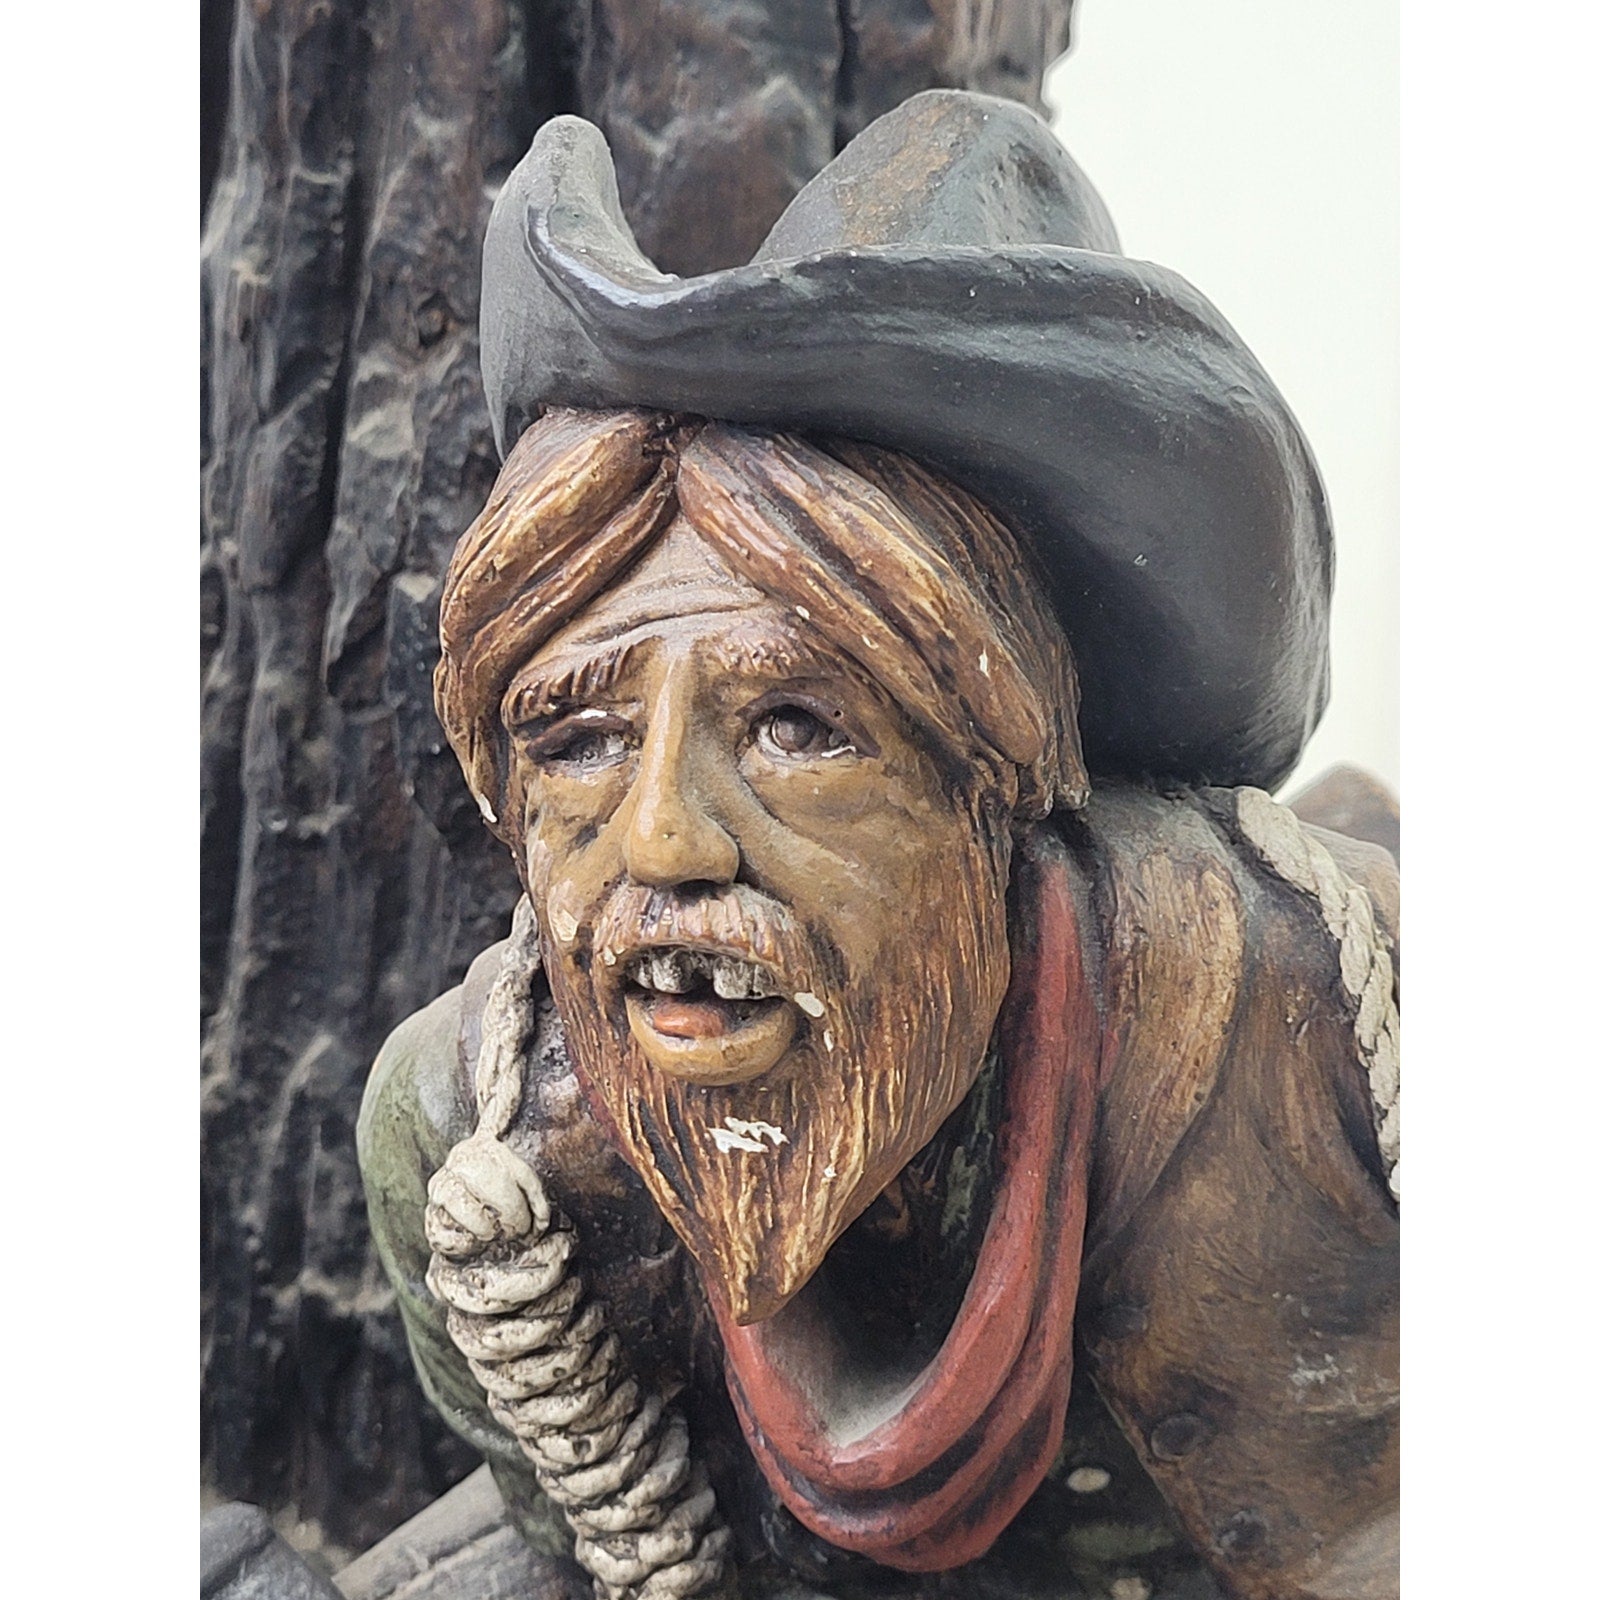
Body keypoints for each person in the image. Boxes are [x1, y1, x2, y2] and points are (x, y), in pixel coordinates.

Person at [358, 93, 1397, 1600]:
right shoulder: (485, 1151)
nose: (664, 837)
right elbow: (583, 1542)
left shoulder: (1315, 1028)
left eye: (796, 726)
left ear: (1007, 784)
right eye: (577, 743)